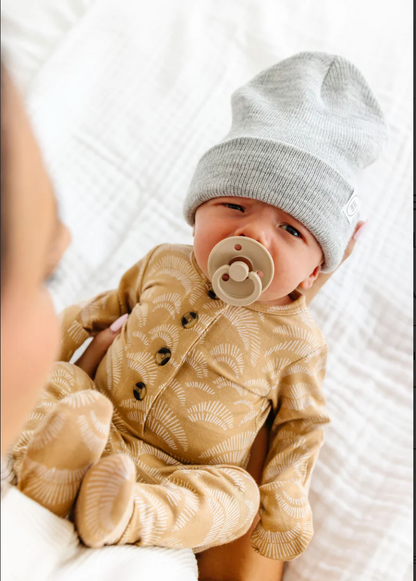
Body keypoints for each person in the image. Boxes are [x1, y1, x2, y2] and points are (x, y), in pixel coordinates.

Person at [8, 51, 387, 573]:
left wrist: (286, 500)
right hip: (99, 413)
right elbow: (98, 311)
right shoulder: (164, 263)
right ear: (195, 215)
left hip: (183, 473)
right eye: (235, 206)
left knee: (237, 498)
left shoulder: (298, 343)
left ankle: (126, 513)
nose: (252, 234)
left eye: (291, 230)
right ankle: (49, 465)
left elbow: (302, 426)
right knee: (60, 383)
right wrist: (38, 351)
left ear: (312, 273)